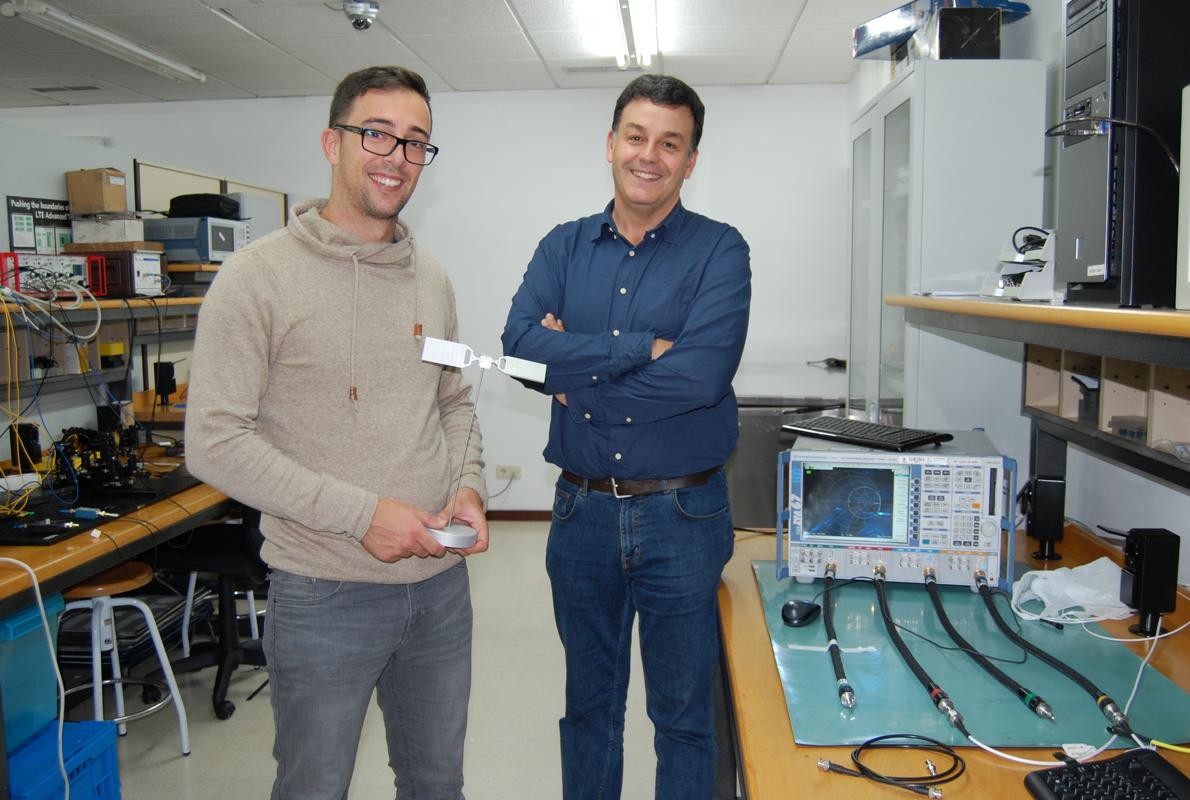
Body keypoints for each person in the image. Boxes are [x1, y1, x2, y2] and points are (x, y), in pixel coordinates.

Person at [185, 65, 488, 800]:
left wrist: (470, 486)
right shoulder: (256, 279)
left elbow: (453, 400)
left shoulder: (431, 279)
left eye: (416, 141)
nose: (397, 156)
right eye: (376, 133)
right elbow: (215, 441)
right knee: (314, 786)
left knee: (435, 782)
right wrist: (364, 517)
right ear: (332, 142)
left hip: (439, 591)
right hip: (323, 592)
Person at [501, 74, 751, 800]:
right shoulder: (563, 247)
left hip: (684, 517)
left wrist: (572, 372)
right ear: (610, 145)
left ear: (690, 160)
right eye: (636, 137)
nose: (650, 155)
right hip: (581, 515)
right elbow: (519, 347)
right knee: (589, 711)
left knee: (684, 717)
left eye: (670, 143)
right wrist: (643, 349)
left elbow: (700, 379)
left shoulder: (720, 251)